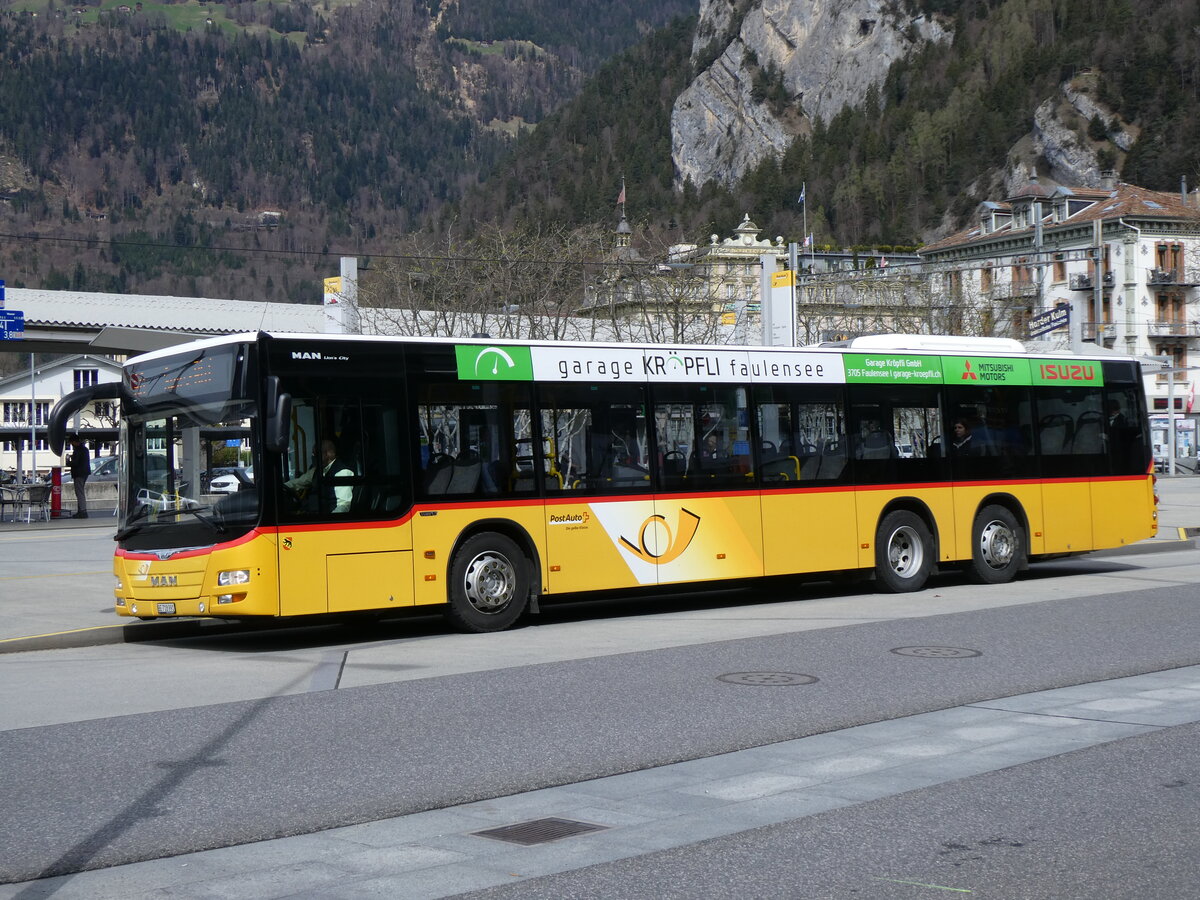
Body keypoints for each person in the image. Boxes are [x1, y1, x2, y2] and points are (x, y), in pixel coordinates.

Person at [285, 438, 354, 513]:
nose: (313, 457)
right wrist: (281, 487)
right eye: (313, 454)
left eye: (316, 454)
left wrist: (329, 522)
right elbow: (298, 483)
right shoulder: (316, 469)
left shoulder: (342, 472)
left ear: (327, 454)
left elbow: (343, 506)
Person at [67, 434, 90, 518]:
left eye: (71, 442)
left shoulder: (78, 450)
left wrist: (68, 462)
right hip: (85, 473)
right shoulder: (85, 449)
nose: (71, 444)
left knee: (79, 492)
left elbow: (76, 462)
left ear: (74, 442)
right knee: (80, 492)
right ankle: (81, 511)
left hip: (79, 473)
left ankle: (83, 511)